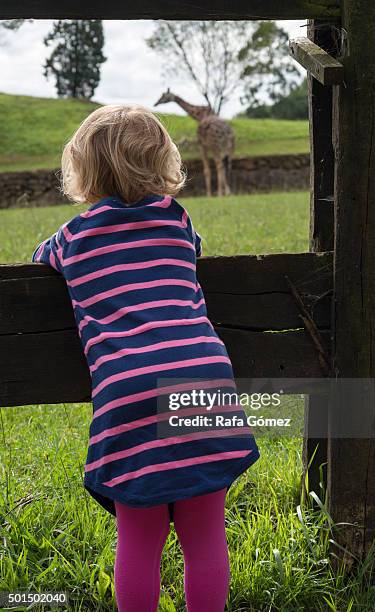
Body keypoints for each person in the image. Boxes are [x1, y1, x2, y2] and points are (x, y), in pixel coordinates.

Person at [31, 105, 260, 612]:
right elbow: (192, 253)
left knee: (140, 539)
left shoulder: (72, 238)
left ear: (83, 172)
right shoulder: (177, 220)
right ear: (163, 164)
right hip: (203, 376)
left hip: (130, 390)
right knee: (204, 537)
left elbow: (39, 258)